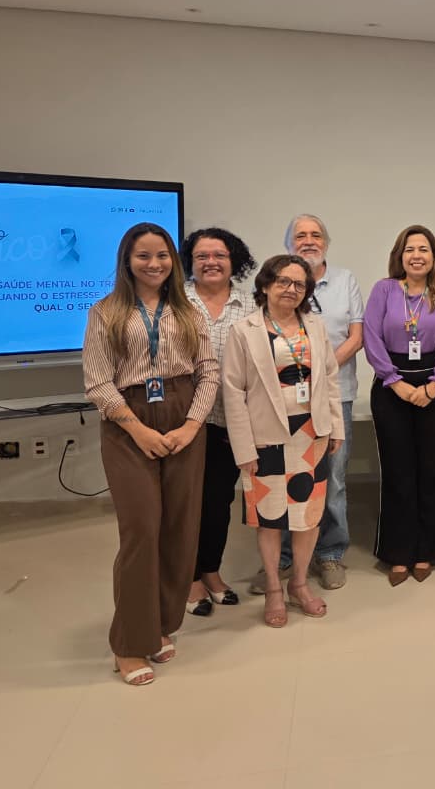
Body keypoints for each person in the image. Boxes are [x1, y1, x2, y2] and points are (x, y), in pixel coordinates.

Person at [83, 223, 219, 686]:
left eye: (162, 255)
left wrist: (192, 425)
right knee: (142, 529)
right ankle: (128, 643)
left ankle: (158, 625)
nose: (154, 264)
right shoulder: (105, 312)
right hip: (128, 419)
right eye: (143, 256)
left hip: (184, 415)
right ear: (127, 260)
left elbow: (208, 371)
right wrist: (138, 430)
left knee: (179, 529)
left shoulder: (189, 311)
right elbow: (98, 383)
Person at [223, 255, 344, 627]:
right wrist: (243, 448)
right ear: (265, 284)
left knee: (308, 517)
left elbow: (330, 379)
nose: (291, 289)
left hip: (311, 435)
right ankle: (274, 587)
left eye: (299, 284)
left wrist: (336, 427)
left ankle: (299, 584)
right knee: (271, 517)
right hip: (266, 439)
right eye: (283, 281)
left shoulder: (315, 326)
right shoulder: (244, 330)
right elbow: (233, 392)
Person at [249, 214, 363, 594]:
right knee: (283, 479)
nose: (309, 240)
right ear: (289, 243)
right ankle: (283, 559)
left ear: (326, 243)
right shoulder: (278, 283)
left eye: (316, 235)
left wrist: (319, 373)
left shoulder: (345, 280)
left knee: (332, 479)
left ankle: (330, 553)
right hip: (281, 405)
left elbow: (357, 336)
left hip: (333, 396)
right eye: (300, 235)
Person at [364, 225, 435, 585]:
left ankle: (426, 549)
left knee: (431, 469)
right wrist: (396, 383)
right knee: (398, 471)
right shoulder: (384, 290)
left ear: (434, 257)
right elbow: (371, 336)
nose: (417, 255)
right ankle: (398, 551)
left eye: (424, 249)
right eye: (410, 249)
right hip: (392, 386)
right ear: (400, 256)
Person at [179, 228, 257, 617]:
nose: (211, 262)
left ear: (233, 260)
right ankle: (188, 577)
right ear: (190, 262)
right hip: (183, 421)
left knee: (219, 501)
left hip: (230, 420)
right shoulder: (175, 302)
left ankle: (211, 570)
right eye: (202, 256)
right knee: (185, 502)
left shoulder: (251, 306)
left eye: (219, 255)